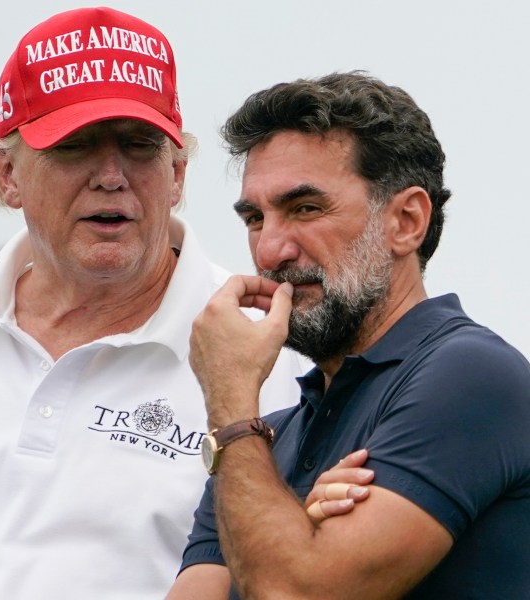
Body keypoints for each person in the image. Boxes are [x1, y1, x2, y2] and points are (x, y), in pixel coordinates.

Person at [0, 8, 313, 600]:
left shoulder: (273, 352)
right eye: (75, 146)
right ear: (6, 173)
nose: (111, 176)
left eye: (139, 147)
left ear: (178, 173)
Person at [167, 71, 530, 599]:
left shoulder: (472, 375)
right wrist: (295, 527)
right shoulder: (265, 437)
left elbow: (296, 593)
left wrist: (229, 405)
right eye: (254, 218)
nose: (270, 251)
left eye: (305, 209)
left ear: (407, 221)